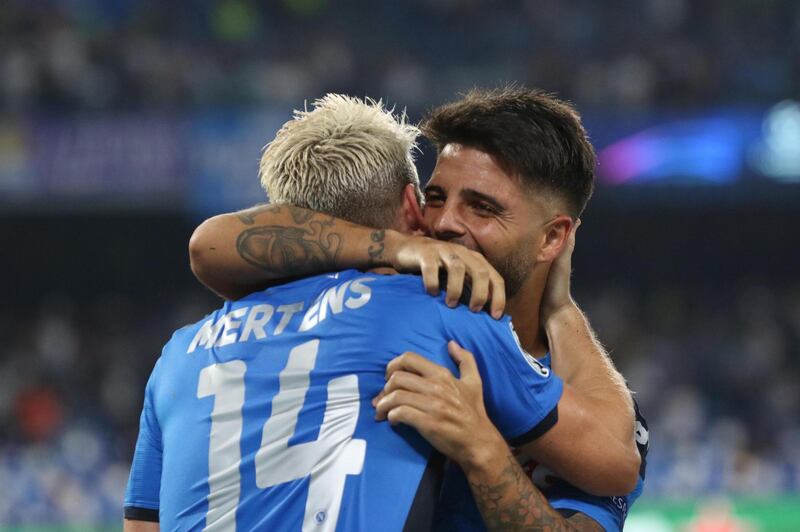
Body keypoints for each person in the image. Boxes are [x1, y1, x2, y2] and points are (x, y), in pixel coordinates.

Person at [124, 94, 638, 532]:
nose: (448, 224)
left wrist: (485, 451)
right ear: (412, 207)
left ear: (553, 237)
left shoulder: (179, 354)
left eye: (482, 207)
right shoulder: (438, 314)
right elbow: (618, 467)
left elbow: (211, 245)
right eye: (436, 198)